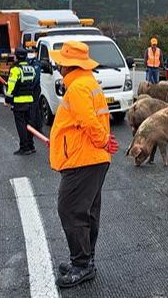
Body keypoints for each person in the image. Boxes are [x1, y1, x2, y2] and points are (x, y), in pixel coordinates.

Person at [48, 41, 119, 288]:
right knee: (87, 210)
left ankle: (81, 265)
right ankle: (85, 260)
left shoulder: (78, 88)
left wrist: (101, 142)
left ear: (69, 65)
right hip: (91, 159)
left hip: (84, 159)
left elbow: (89, 122)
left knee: (71, 209)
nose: (58, 65)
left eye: (61, 62)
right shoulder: (89, 84)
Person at [5, 47, 36, 155]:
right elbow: (33, 83)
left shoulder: (15, 69)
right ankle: (31, 145)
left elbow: (11, 86)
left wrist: (7, 99)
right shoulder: (31, 68)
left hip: (19, 101)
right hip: (30, 100)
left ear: (17, 56)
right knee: (29, 124)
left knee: (21, 125)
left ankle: (24, 147)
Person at [27, 51, 43, 133]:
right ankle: (39, 126)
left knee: (33, 107)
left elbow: (36, 78)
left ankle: (32, 126)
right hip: (30, 88)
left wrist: (30, 88)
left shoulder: (36, 63)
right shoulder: (27, 61)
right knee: (35, 108)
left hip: (35, 89)